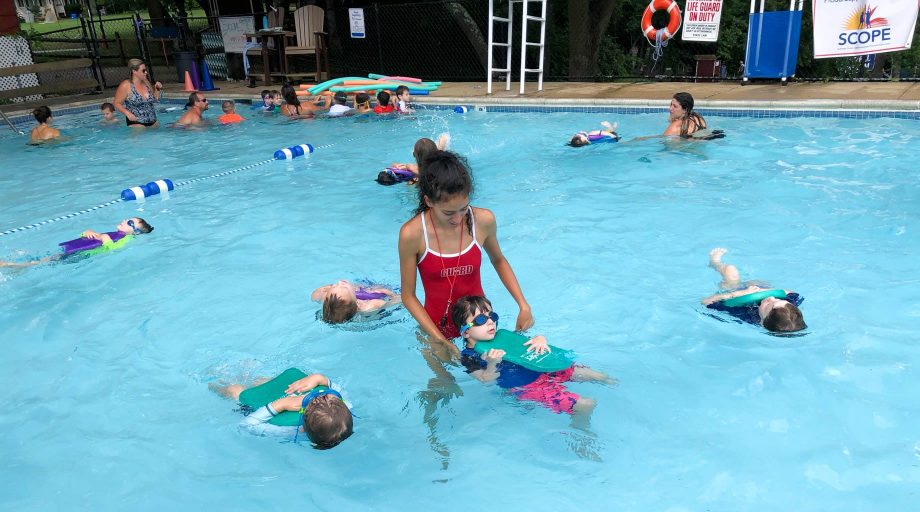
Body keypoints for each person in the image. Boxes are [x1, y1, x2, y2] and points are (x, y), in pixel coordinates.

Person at [397, 150, 533, 349]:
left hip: (480, 324)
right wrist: (439, 339)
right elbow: (408, 295)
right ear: (429, 202)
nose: (458, 219)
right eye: (448, 212)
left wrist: (523, 304)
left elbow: (499, 260)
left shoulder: (483, 220)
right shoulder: (412, 234)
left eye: (463, 209)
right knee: (443, 381)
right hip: (435, 328)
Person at [452, 296, 614, 421]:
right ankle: (581, 431)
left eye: (492, 316)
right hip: (528, 386)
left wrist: (540, 339)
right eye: (481, 319)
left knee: (599, 376)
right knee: (585, 405)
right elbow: (485, 380)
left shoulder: (503, 337)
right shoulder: (468, 358)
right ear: (466, 332)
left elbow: (524, 342)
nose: (490, 322)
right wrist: (493, 363)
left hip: (541, 368)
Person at [212, 371, 353, 448]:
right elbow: (339, 390)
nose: (312, 395)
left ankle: (213, 382)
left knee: (234, 390)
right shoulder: (347, 407)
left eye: (308, 401)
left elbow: (246, 425)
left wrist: (282, 404)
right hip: (280, 393)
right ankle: (250, 376)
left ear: (302, 429)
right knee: (262, 381)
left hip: (256, 410)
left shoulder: (288, 431)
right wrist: (320, 379)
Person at [701, 248, 807, 333]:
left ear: (761, 321)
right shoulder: (788, 309)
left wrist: (740, 293)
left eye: (769, 304)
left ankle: (714, 262)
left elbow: (706, 302)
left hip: (736, 293)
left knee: (730, 270)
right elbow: (791, 293)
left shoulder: (743, 315)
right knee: (757, 282)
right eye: (777, 300)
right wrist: (763, 291)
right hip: (758, 288)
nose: (771, 298)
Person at [1, 217, 153, 268]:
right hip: (79, 251)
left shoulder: (126, 238)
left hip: (84, 256)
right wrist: (87, 232)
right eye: (127, 219)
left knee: (48, 260)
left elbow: (113, 250)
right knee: (49, 259)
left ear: (135, 232)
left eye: (130, 222)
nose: (125, 220)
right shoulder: (116, 234)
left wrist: (107, 242)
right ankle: (18, 265)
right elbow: (92, 238)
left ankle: (12, 265)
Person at [311, 280, 401, 324]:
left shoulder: (323, 297)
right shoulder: (371, 306)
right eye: (344, 287)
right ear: (357, 303)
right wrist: (387, 292)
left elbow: (314, 294)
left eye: (334, 285)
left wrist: (334, 288)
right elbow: (400, 300)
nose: (339, 282)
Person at [378, 134, 450, 185]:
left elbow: (393, 165)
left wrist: (408, 167)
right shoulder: (440, 163)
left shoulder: (414, 170)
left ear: (414, 155)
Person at [113, 58, 162, 128]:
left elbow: (155, 99)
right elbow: (116, 103)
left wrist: (157, 89)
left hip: (153, 122)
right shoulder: (126, 85)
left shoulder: (146, 82)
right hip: (137, 123)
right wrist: (128, 114)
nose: (146, 72)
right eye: (143, 70)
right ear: (134, 71)